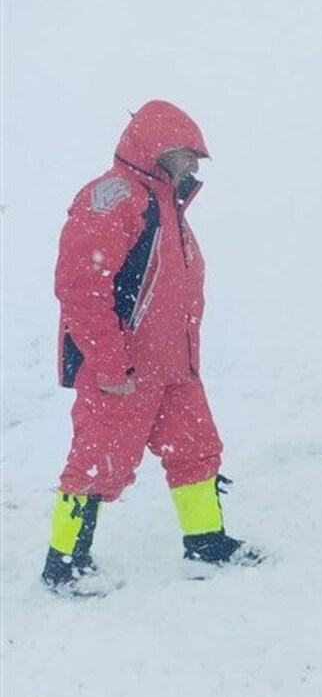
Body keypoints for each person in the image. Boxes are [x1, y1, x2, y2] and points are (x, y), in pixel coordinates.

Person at [42, 100, 260, 596]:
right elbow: (81, 286)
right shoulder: (114, 196)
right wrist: (110, 361)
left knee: (197, 450)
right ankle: (64, 563)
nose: (193, 167)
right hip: (124, 368)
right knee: (98, 461)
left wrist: (184, 359)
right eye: (186, 155)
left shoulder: (167, 205)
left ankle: (206, 544)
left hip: (173, 368)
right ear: (158, 147)